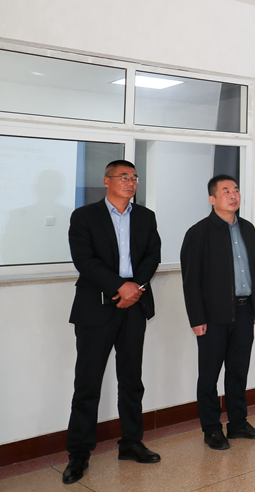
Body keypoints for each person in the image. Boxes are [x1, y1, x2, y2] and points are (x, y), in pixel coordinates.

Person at [63, 160, 162, 484]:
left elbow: (152, 256)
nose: (131, 182)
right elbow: (84, 260)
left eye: (134, 178)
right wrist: (119, 286)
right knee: (88, 382)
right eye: (124, 177)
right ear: (107, 181)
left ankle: (131, 443)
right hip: (96, 308)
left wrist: (135, 288)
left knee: (131, 380)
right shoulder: (84, 216)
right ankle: (79, 453)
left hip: (134, 308)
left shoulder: (145, 217)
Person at [180, 174, 255, 451]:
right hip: (213, 316)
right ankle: (211, 429)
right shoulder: (199, 232)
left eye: (236, 190)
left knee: (238, 370)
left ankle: (238, 424)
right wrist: (197, 318)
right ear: (212, 199)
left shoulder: (248, 229)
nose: (233, 195)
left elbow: (254, 270)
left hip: (244, 311)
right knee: (209, 375)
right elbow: (191, 280)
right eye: (226, 191)